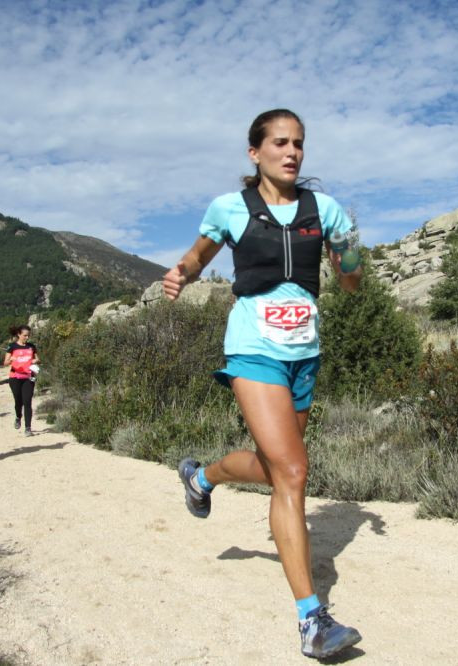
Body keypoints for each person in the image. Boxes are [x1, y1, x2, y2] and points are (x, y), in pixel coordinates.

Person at [163, 109, 363, 659]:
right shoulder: (229, 208)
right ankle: (312, 620)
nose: (292, 152)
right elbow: (198, 256)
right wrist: (179, 275)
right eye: (280, 143)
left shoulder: (325, 209)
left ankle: (202, 476)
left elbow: (350, 281)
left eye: (299, 143)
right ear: (256, 153)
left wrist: (347, 253)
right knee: (294, 472)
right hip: (253, 350)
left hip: (306, 352)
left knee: (276, 466)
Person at [3, 324, 39, 436]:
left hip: (29, 377)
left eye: (28, 336)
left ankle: (28, 428)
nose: (27, 338)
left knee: (27, 401)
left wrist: (35, 361)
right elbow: (5, 363)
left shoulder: (31, 346)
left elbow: (38, 358)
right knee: (18, 401)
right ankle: (18, 416)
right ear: (19, 334)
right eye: (24, 335)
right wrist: (11, 359)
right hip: (15, 377)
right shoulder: (12, 346)